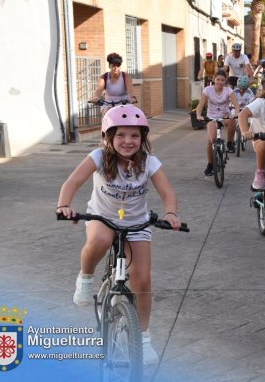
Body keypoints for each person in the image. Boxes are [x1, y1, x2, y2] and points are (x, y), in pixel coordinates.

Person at [56, 104, 182, 364]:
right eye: (121, 135)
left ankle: (144, 339)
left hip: (137, 223)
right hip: (102, 217)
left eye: (135, 135)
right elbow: (72, 182)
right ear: (108, 137)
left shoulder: (149, 162)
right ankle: (86, 277)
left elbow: (167, 192)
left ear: (143, 138)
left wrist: (170, 213)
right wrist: (64, 205)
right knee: (100, 240)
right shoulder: (98, 157)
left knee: (142, 281)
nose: (128, 141)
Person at [195, 69, 242, 175]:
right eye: (218, 79)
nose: (220, 82)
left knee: (232, 121)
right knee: (211, 140)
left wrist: (237, 113)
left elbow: (236, 105)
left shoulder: (228, 90)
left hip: (224, 115)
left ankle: (230, 143)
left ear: (225, 81)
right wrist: (198, 115)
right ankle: (210, 164)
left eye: (222, 80)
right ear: (214, 80)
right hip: (212, 117)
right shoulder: (208, 90)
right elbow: (200, 105)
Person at [91, 52, 135, 116]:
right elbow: (99, 90)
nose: (116, 67)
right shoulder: (104, 77)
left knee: (130, 119)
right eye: (113, 65)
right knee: (106, 120)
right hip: (109, 106)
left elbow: (130, 89)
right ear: (109, 66)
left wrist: (132, 97)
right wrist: (96, 97)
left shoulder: (125, 76)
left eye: (118, 65)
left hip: (124, 105)